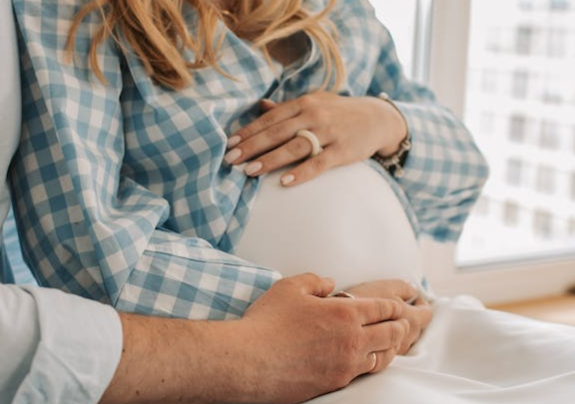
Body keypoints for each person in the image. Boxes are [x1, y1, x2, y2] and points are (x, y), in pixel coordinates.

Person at [11, 0, 575, 403]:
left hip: (416, 323)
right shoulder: (81, 13)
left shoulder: (345, 15)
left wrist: (387, 121)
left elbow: (464, 172)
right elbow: (87, 248)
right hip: (249, 350)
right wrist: (339, 314)